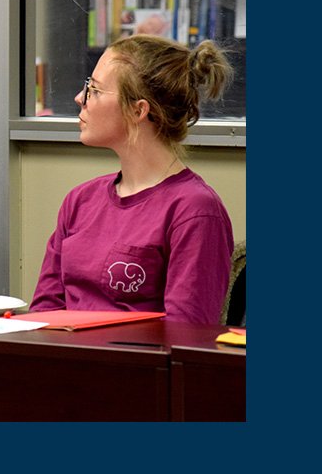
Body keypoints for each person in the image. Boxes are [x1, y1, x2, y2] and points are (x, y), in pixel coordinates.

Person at [30, 34, 235, 324]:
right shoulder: (79, 201)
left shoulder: (195, 211)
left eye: (95, 90)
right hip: (66, 363)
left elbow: (184, 337)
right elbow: (44, 312)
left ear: (138, 110)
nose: (80, 98)